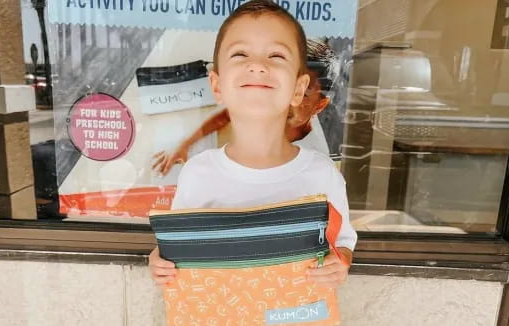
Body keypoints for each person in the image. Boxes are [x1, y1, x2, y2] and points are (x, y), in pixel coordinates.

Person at [149, 0, 357, 291]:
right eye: (240, 53)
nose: (257, 65)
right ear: (217, 85)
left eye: (276, 55)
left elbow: (343, 241)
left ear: (299, 88)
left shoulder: (322, 175)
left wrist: (340, 262)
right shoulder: (198, 173)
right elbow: (180, 246)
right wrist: (160, 260)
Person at [152, 39, 337, 175]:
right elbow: (227, 115)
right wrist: (185, 144)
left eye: (300, 93)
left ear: (320, 106)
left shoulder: (312, 161)